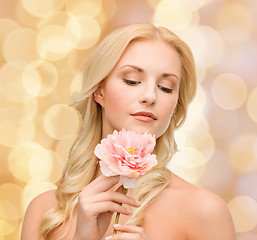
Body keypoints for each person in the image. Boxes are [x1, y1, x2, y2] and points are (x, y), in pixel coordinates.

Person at [21, 23, 236, 240]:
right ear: (99, 90)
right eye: (132, 81)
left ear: (176, 106)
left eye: (166, 87)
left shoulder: (204, 211)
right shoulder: (45, 212)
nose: (150, 96)